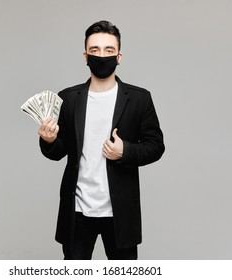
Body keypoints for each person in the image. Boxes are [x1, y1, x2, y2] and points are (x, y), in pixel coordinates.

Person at [38, 20, 165, 260]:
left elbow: (156, 146)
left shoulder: (139, 99)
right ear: (85, 56)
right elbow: (57, 151)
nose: (102, 55)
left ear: (119, 56)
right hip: (76, 210)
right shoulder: (69, 98)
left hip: (120, 212)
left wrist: (124, 151)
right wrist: (49, 140)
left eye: (108, 50)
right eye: (95, 50)